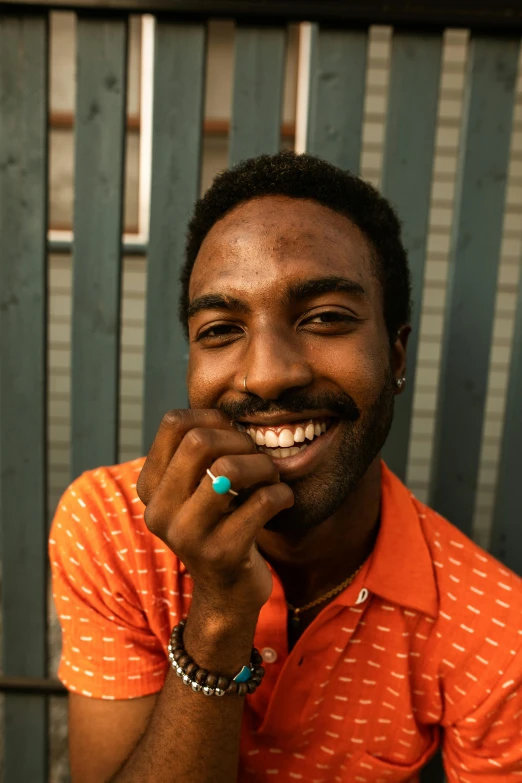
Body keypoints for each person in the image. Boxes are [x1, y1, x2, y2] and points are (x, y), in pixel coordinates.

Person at [50, 152, 522, 783]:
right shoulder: (111, 526)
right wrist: (219, 614)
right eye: (220, 329)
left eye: (326, 318)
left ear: (396, 354)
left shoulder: (495, 631)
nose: (268, 374)